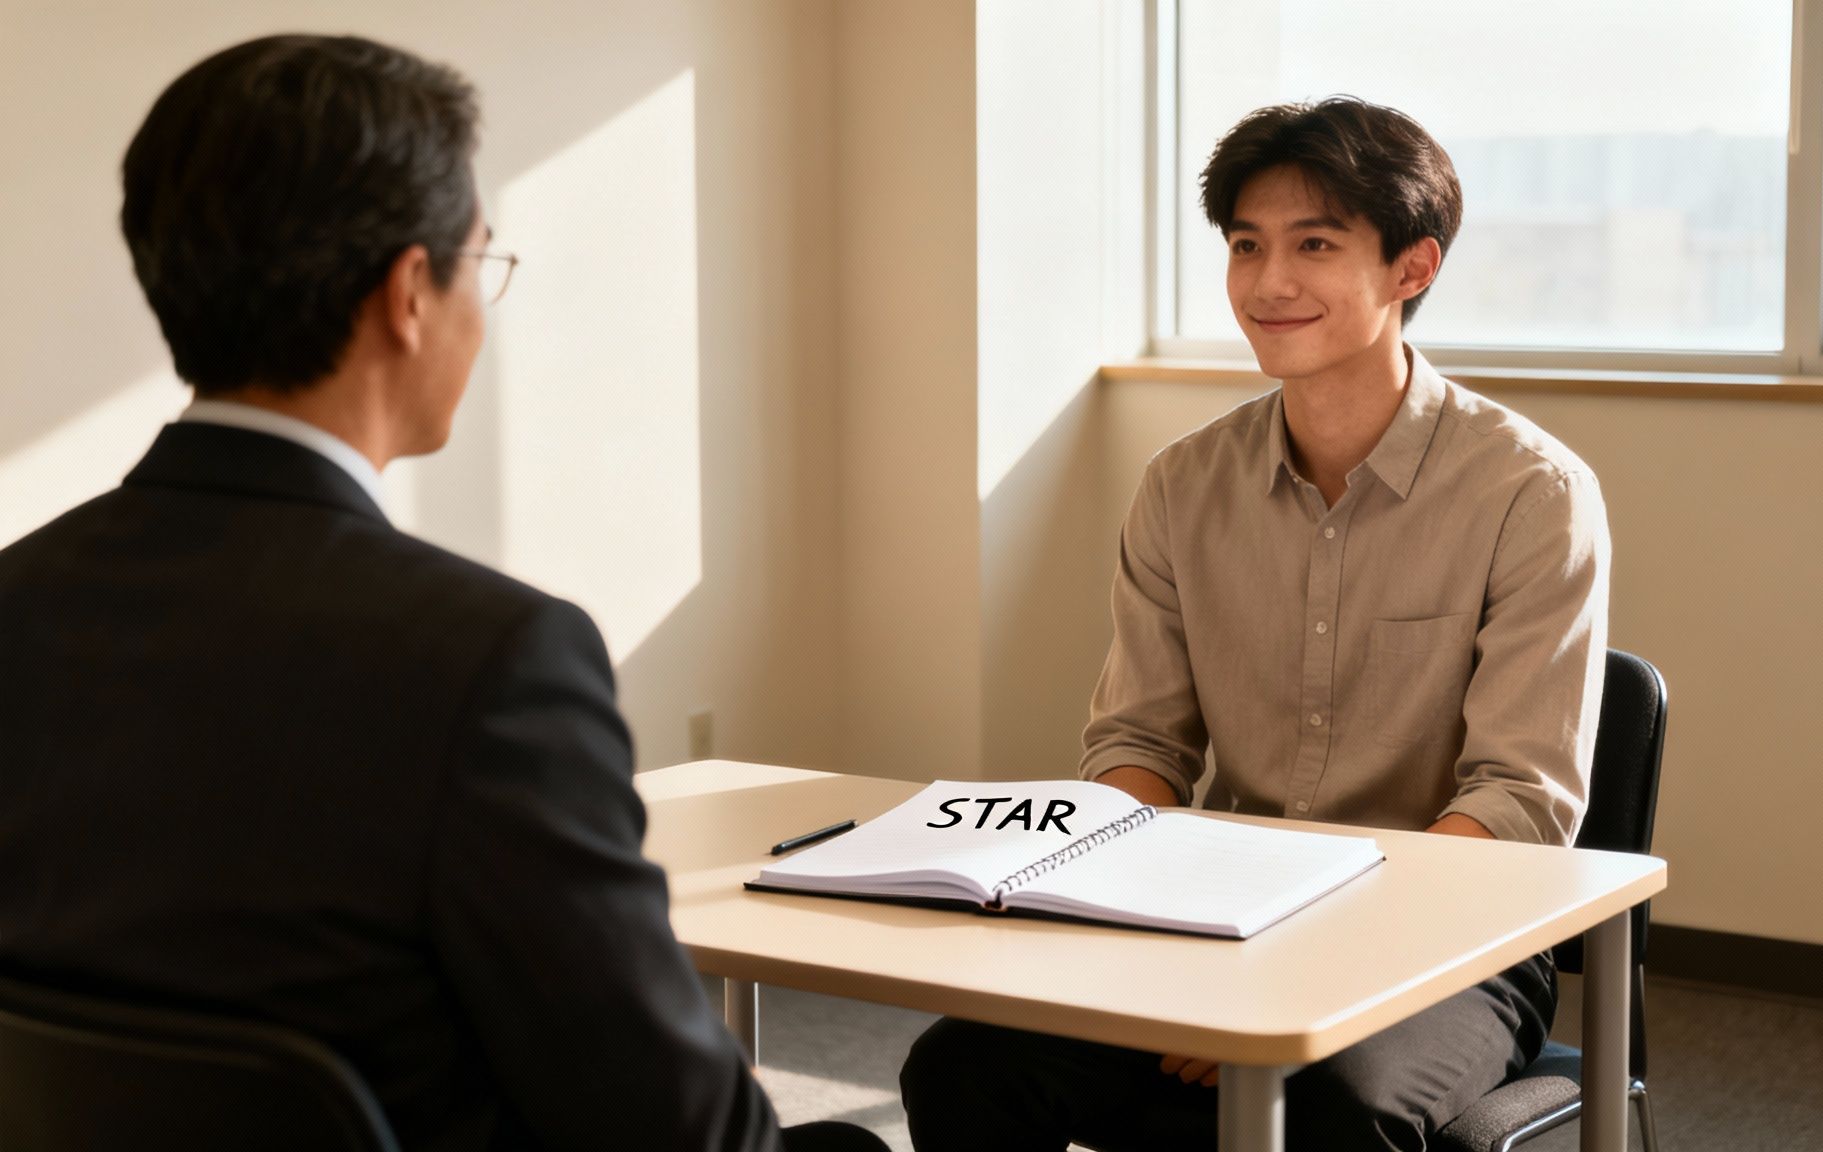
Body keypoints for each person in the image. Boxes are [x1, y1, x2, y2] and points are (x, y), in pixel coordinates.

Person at [0, 34, 881, 1152]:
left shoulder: (19, 599)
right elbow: (680, 1127)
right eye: (482, 263)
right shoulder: (489, 661)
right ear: (409, 292)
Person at [899, 97, 1610, 1151]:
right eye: (1245, 246)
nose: (1266, 283)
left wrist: (1294, 966)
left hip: (1441, 943)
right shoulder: (1181, 486)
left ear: (1411, 269)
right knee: (963, 1066)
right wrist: (1126, 917)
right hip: (1206, 916)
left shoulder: (1529, 493)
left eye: (1313, 245)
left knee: (1327, 1108)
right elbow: (1137, 747)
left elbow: (1515, 803)